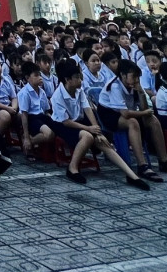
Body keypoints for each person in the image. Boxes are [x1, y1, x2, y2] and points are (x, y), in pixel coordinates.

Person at [49, 59, 149, 190]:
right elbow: (66, 121)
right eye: (77, 78)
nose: (80, 80)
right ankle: (72, 168)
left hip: (79, 121)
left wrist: (97, 130)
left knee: (102, 141)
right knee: (87, 136)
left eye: (80, 76)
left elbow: (88, 109)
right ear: (67, 80)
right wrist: (89, 129)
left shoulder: (79, 91)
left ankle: (131, 175)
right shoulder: (57, 96)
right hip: (63, 125)